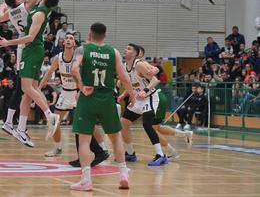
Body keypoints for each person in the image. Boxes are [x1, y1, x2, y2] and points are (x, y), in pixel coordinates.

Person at [0, 0, 59, 147]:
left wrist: (1, 7)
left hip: (27, 44)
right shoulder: (29, 5)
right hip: (28, 45)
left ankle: (18, 124)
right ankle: (24, 124)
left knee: (26, 89)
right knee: (26, 89)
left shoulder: (12, 13)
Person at [70, 22, 134, 191]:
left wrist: (82, 86)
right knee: (115, 138)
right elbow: (125, 78)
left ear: (90, 34)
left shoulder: (82, 49)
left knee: (84, 139)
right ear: (105, 35)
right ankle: (123, 174)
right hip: (107, 98)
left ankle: (86, 180)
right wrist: (132, 96)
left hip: (88, 97)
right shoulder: (114, 52)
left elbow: (74, 69)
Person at [39, 33, 110, 166]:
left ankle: (103, 148)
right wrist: (39, 87)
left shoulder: (80, 58)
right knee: (55, 121)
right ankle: (57, 147)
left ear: (75, 44)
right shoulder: (57, 58)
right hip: (65, 93)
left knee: (89, 124)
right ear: (63, 43)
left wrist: (84, 89)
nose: (68, 40)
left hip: (78, 93)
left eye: (71, 38)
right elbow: (48, 74)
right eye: (66, 38)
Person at [119, 43, 170, 166]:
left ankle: (161, 155)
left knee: (147, 124)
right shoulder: (124, 66)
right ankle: (130, 153)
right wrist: (127, 96)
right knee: (124, 122)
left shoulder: (139, 65)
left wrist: (145, 91)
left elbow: (155, 80)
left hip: (150, 97)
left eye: (129, 48)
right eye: (126, 48)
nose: (125, 50)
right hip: (138, 99)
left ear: (135, 53)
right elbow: (131, 84)